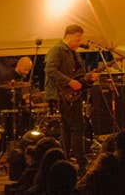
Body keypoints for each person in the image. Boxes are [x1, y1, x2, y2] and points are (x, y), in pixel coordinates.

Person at [45, 24, 98, 167]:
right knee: (76, 127)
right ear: (68, 36)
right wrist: (69, 82)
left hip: (72, 96)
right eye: (77, 38)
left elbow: (78, 77)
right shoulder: (57, 50)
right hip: (61, 95)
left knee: (69, 129)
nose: (79, 42)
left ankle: (67, 160)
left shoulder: (74, 53)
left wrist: (89, 79)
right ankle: (80, 162)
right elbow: (50, 69)